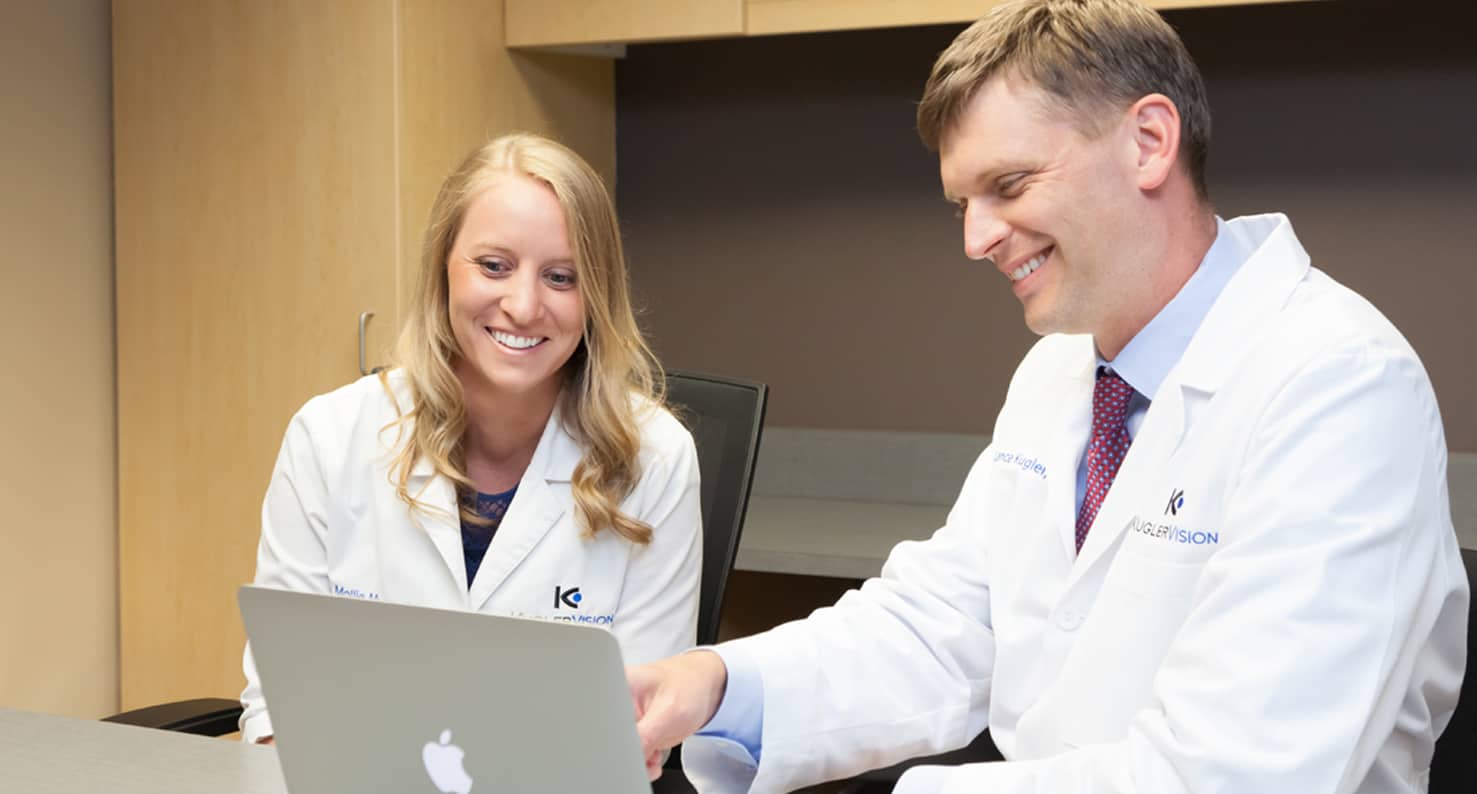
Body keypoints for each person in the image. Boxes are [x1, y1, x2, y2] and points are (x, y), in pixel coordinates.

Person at [627, 1, 1469, 792]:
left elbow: (1232, 774)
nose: (975, 237)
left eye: (1010, 184)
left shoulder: (1338, 386)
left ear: (1147, 141)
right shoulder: (1065, 369)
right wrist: (720, 683)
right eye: (963, 202)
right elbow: (942, 625)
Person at [239, 133, 703, 744]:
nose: (523, 305)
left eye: (562, 277)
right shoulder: (329, 437)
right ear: (443, 268)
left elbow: (642, 724)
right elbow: (278, 710)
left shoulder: (654, 458)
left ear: (597, 296)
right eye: (494, 266)